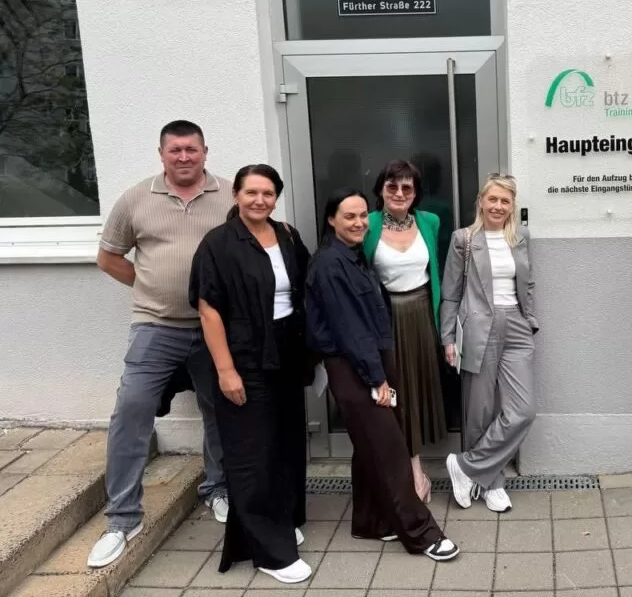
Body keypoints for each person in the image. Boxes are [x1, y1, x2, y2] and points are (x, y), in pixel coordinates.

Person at [88, 121, 231, 569]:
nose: (184, 157)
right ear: (162, 153)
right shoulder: (136, 199)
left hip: (214, 328)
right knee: (131, 412)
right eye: (175, 150)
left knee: (221, 411)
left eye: (191, 149)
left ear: (205, 151)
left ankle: (219, 488)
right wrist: (149, 285)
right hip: (156, 326)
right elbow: (109, 257)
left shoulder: (230, 195)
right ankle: (122, 519)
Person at [305, 188, 459, 562]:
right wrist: (377, 379)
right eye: (349, 216)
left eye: (362, 215)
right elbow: (350, 331)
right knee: (390, 450)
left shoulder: (353, 255)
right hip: (355, 368)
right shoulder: (330, 265)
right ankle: (421, 533)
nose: (359, 223)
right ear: (331, 220)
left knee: (369, 448)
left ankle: (370, 522)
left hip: (367, 362)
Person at [188, 165, 312, 584]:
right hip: (243, 357)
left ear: (276, 197)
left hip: (287, 354)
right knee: (252, 452)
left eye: (268, 193)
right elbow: (208, 310)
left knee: (286, 444)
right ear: (236, 195)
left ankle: (281, 520)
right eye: (251, 192)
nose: (260, 200)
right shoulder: (218, 244)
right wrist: (226, 371)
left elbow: (302, 291)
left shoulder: (287, 236)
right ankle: (270, 553)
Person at [441, 174, 539, 513]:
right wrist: (448, 337)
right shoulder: (464, 239)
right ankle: (491, 483)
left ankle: (465, 467)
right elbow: (450, 294)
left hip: (516, 327)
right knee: (478, 411)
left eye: (505, 201)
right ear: (481, 201)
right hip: (478, 328)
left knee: (523, 410)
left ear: (512, 206)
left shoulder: (521, 238)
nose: (498, 206)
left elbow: (527, 284)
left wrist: (530, 319)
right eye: (492, 199)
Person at [363, 160, 448, 502]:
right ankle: (410, 472)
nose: (399, 193)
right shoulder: (366, 224)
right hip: (386, 318)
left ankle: (416, 468)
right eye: (392, 186)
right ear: (381, 189)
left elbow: (436, 271)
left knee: (417, 389)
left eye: (407, 187)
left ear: (416, 193)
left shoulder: (430, 222)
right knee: (394, 391)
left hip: (422, 316)